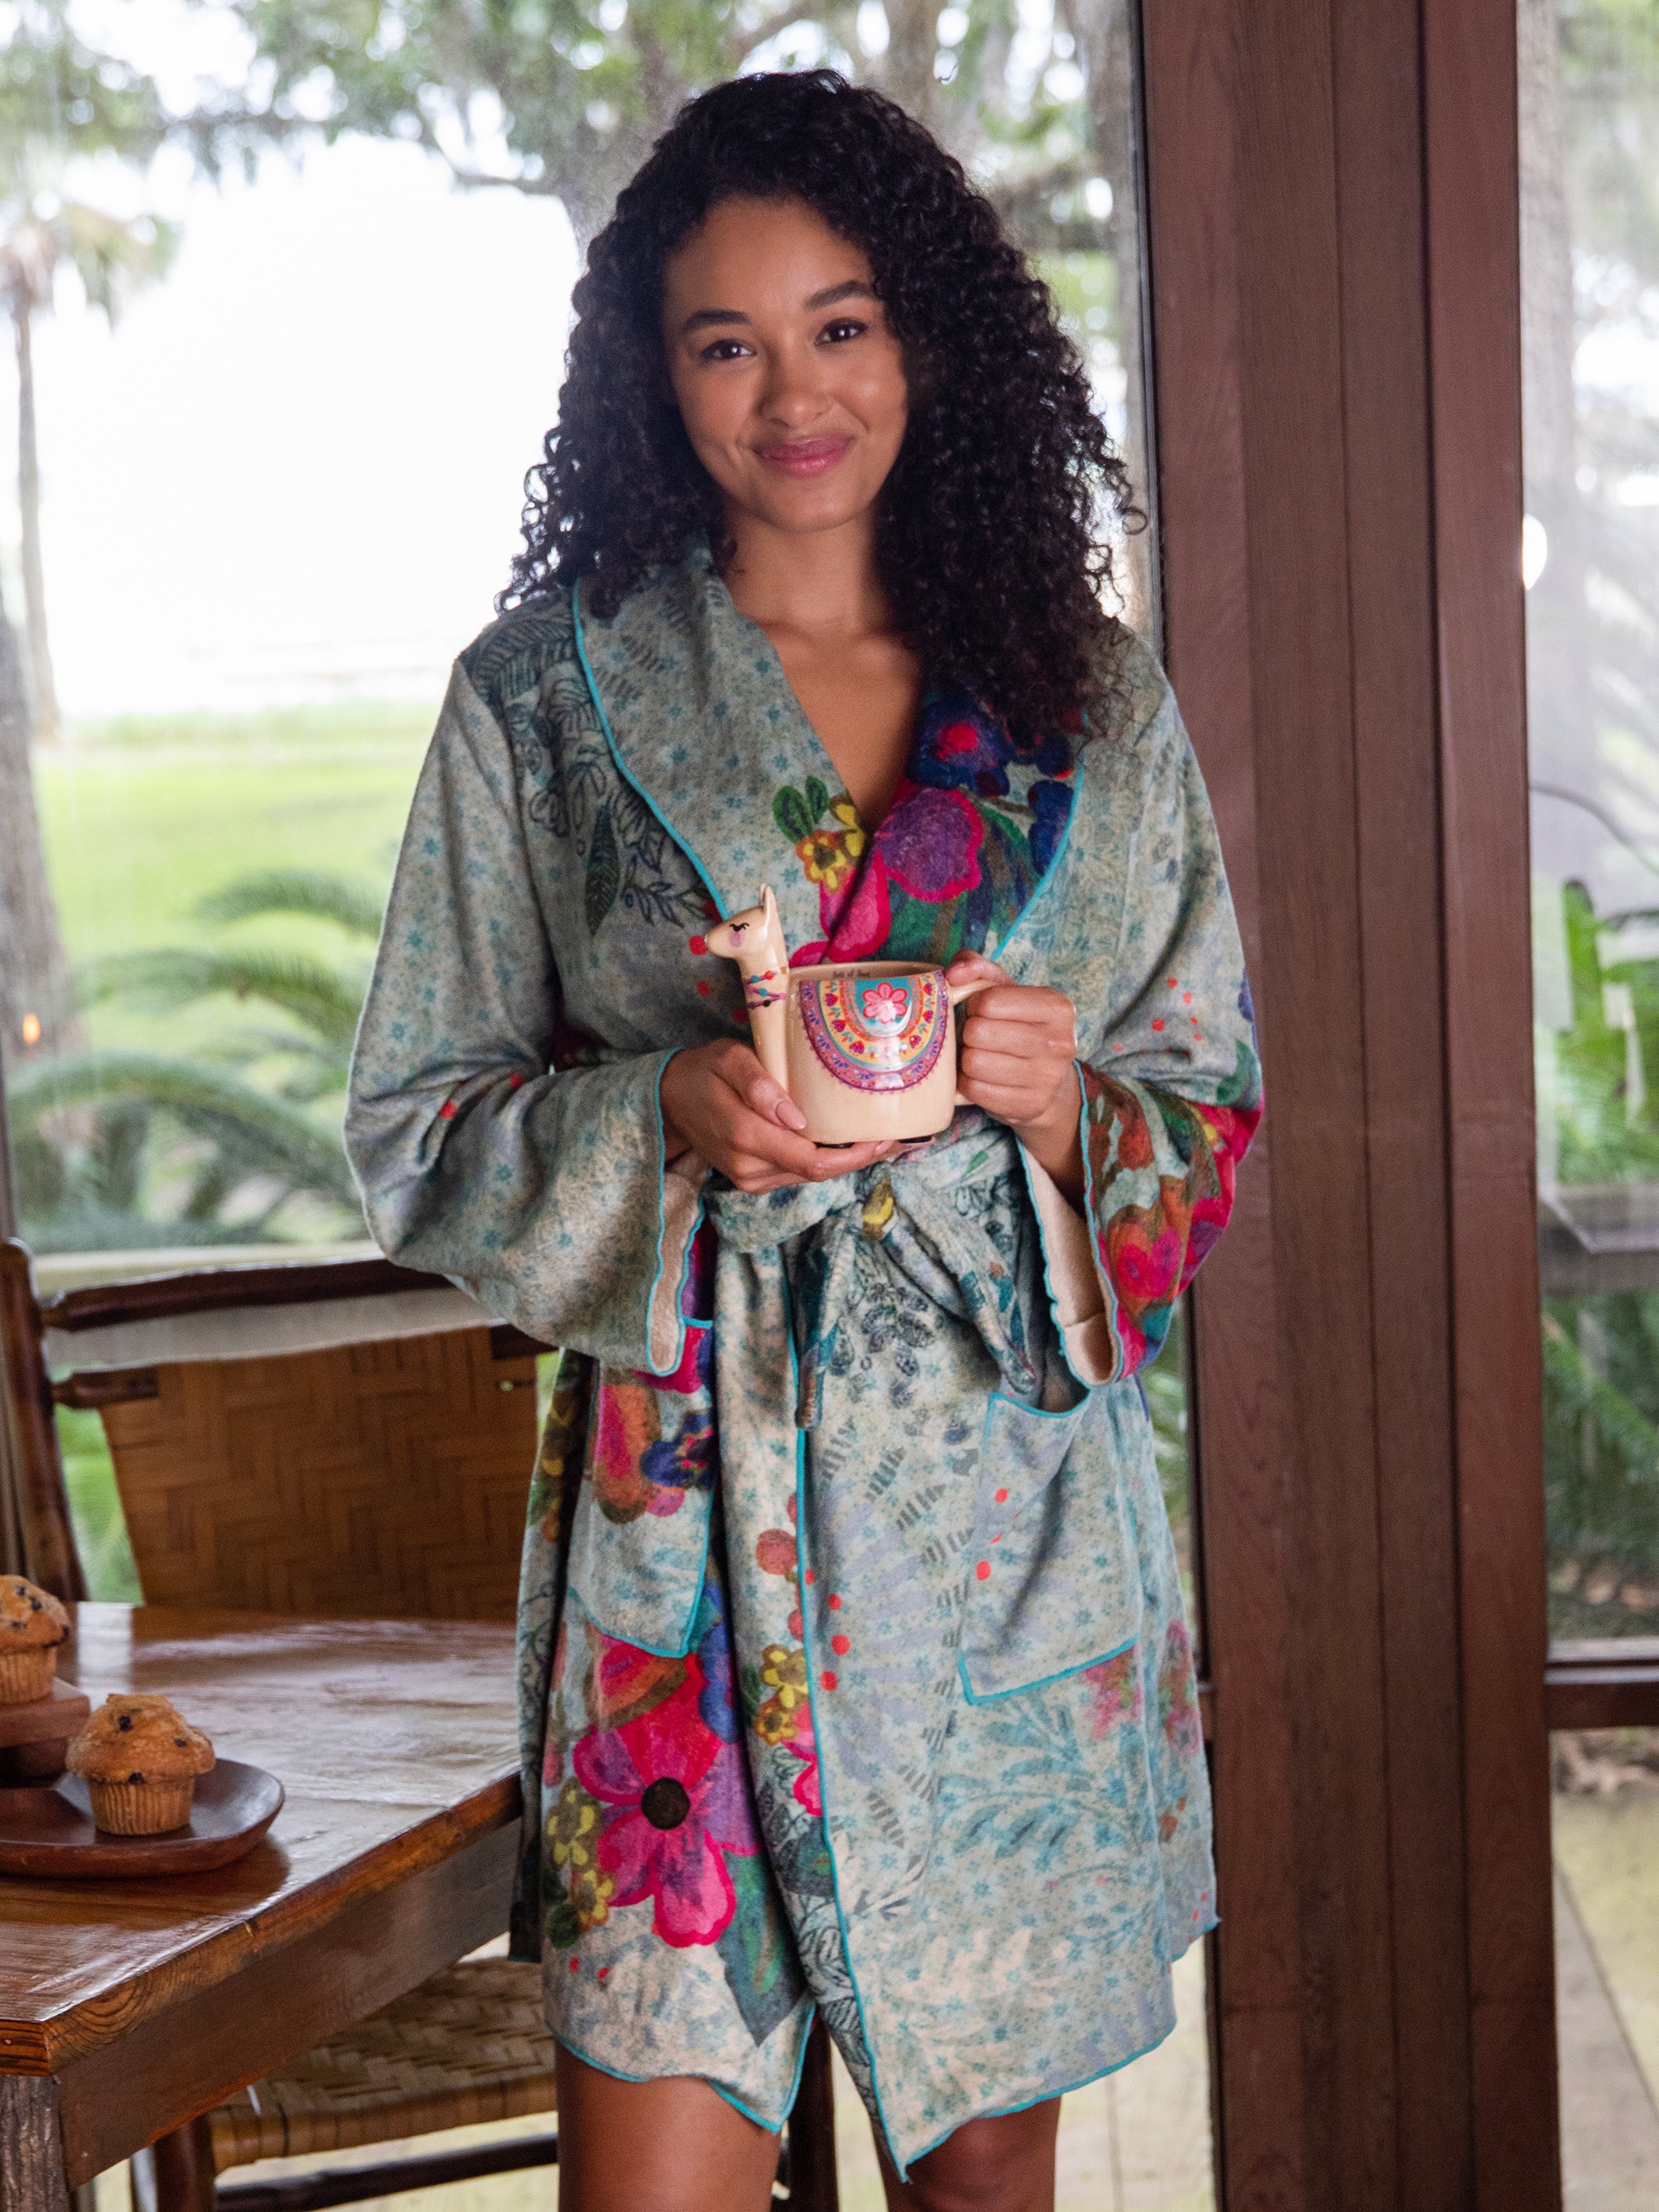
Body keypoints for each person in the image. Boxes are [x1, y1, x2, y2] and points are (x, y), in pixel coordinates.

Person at [346, 68, 1260, 2212]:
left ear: (924, 334)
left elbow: (1205, 1104)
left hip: (996, 1529)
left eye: (840, 325)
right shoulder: (545, 703)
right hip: (679, 1529)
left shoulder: (1089, 707)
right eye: (726, 342)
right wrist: (658, 1111)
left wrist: (1066, 1105)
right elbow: (416, 1120)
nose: (794, 395)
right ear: (651, 377)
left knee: (984, 2182)